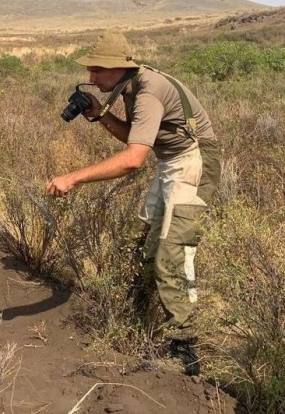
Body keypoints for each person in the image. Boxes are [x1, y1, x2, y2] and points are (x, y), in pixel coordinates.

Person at [45, 30, 221, 376]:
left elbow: (132, 159)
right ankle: (137, 316)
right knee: (136, 242)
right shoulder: (130, 86)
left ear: (118, 68)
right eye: (90, 71)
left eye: (97, 71)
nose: (91, 78)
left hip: (193, 161)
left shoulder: (149, 92)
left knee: (171, 254)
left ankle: (184, 351)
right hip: (170, 161)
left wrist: (72, 177)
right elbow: (136, 137)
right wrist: (99, 114)